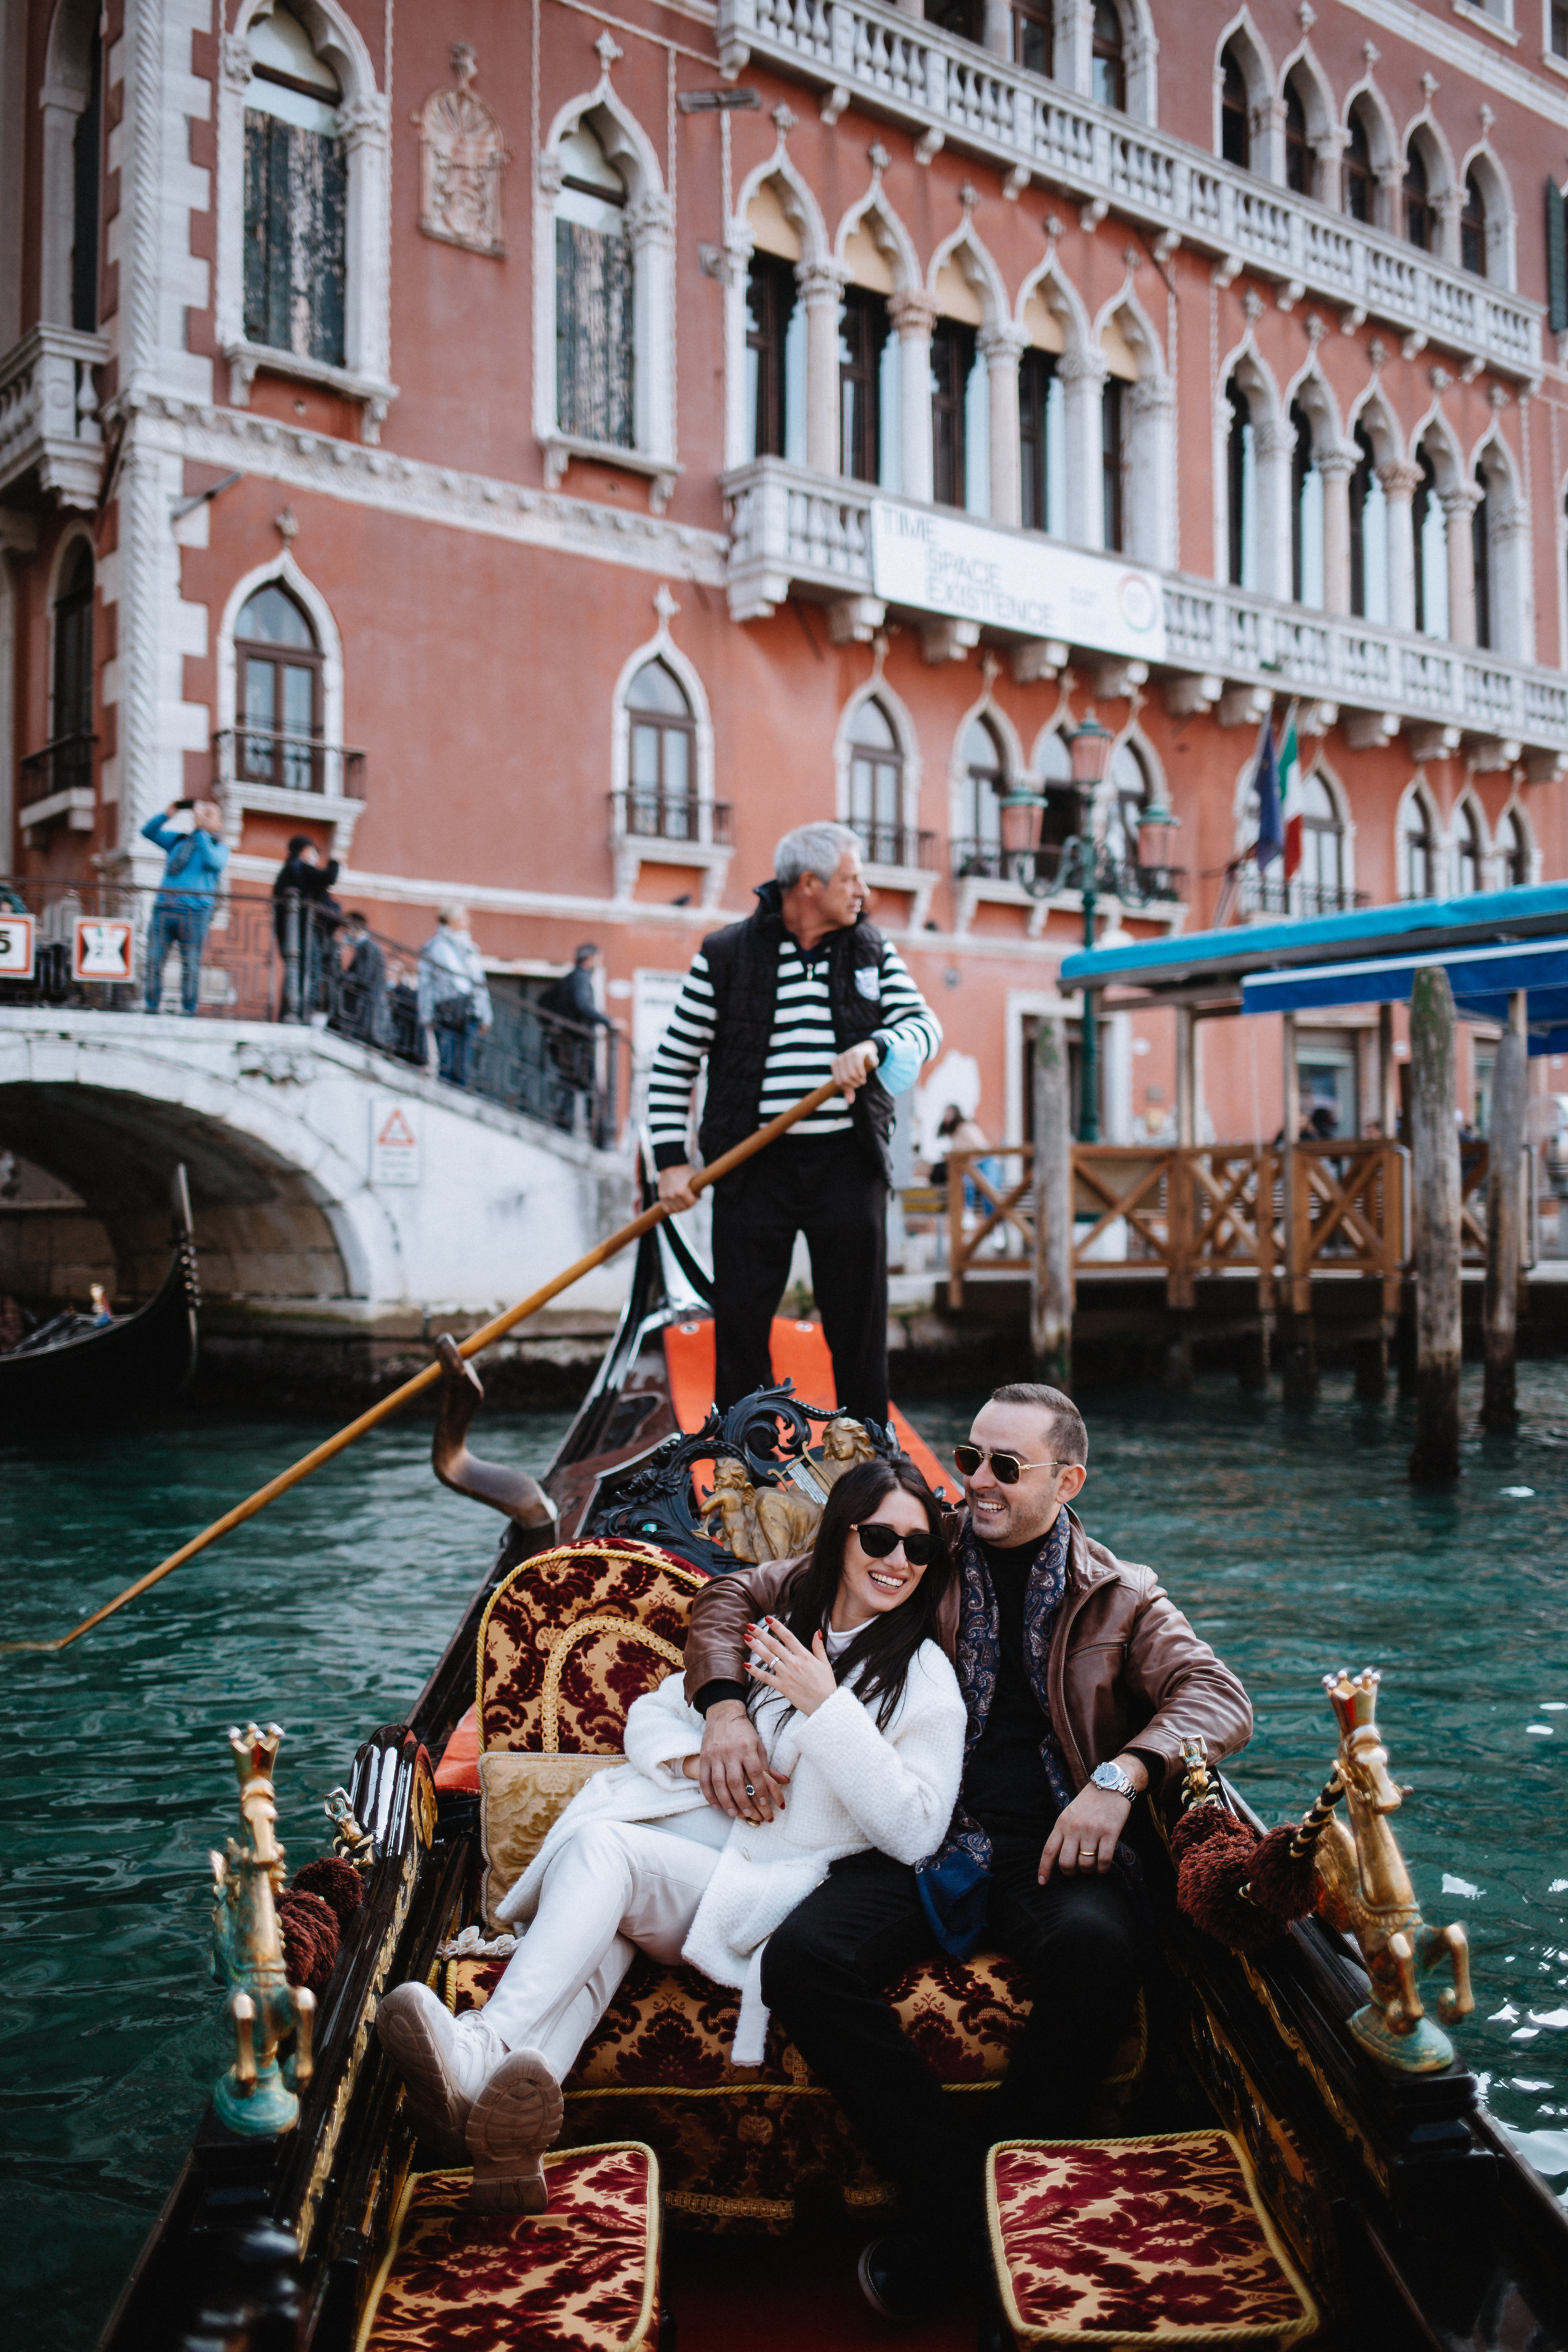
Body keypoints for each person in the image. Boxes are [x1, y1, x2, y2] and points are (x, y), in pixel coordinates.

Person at [682, 1380, 1253, 2321]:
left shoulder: (1119, 1595)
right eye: (970, 1458)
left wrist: (1119, 1780)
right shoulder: (917, 1547)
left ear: (1068, 1480)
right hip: (914, 1832)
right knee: (804, 1960)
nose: (976, 1483)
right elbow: (736, 1593)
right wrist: (724, 1708)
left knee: (1100, 1949)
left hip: (1047, 1844)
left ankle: (964, 2229)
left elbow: (1217, 1696)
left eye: (1005, 1467)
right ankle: (974, 2210)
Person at [375, 1457, 966, 2214]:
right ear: (839, 1537)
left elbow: (917, 1831)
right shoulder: (787, 1635)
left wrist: (828, 1710)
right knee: (606, 1923)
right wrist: (715, 1741)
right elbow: (653, 1712)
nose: (898, 1562)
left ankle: (481, 2045)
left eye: (919, 1550)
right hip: (720, 1857)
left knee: (606, 1852)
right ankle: (505, 2126)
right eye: (881, 1538)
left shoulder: (921, 1676)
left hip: (785, 1893)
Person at [647, 823, 942, 1427]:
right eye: (851, 877)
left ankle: (870, 1455)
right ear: (808, 885)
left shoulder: (870, 949)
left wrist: (878, 1047)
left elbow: (924, 1027)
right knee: (742, 1323)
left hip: (847, 1161)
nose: (863, 890)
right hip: (750, 1168)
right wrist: (670, 1160)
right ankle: (743, 1460)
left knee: (857, 1324)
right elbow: (675, 1060)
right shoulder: (725, 955)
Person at [140, 800, 228, 1015]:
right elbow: (148, 832)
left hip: (195, 913)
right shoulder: (178, 841)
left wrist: (200, 831)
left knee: (190, 965)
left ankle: (189, 1010)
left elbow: (213, 862)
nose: (204, 816)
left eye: (210, 814)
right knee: (153, 961)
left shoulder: (220, 848)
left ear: (219, 824)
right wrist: (169, 813)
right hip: (164, 909)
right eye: (202, 812)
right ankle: (151, 1007)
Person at [538, 943, 620, 1130]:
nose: (600, 962)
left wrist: (553, 1026)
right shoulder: (581, 978)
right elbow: (583, 1005)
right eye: (599, 958)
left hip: (568, 1040)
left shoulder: (569, 978)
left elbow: (543, 1001)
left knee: (569, 1081)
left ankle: (567, 1123)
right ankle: (586, 1127)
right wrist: (608, 1021)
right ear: (590, 959)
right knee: (582, 1082)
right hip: (577, 1041)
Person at [417, 903, 492, 1087]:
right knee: (447, 1062)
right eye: (465, 918)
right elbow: (426, 983)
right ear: (453, 920)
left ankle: (461, 1092)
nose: (468, 922)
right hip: (446, 1009)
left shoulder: (469, 947)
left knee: (463, 1064)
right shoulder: (434, 947)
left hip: (469, 1009)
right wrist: (426, 1014)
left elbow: (479, 982)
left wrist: (486, 1015)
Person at [271, 835, 341, 1017]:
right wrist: (335, 861)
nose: (314, 855)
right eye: (312, 850)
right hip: (303, 931)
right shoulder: (298, 867)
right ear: (304, 850)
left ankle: (292, 1013)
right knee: (307, 971)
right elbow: (329, 877)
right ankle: (300, 1014)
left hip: (292, 931)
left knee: (296, 973)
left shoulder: (290, 870)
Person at [333, 911, 387, 1046]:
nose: (346, 933)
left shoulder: (368, 948)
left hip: (365, 1008)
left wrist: (341, 976)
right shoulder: (370, 947)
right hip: (366, 1008)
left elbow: (363, 977)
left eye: (347, 929)